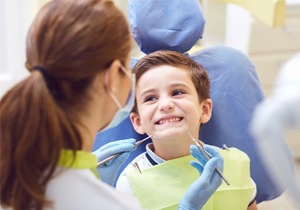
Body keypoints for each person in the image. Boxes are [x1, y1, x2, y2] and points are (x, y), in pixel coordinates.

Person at [0, 0, 225, 210]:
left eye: (177, 92)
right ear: (112, 76)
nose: (165, 104)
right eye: (129, 68)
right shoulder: (115, 202)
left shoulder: (20, 172)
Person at [116, 50, 258, 210]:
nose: (165, 104)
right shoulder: (130, 184)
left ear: (204, 110)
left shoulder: (235, 165)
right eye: (150, 98)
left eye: (177, 92)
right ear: (138, 122)